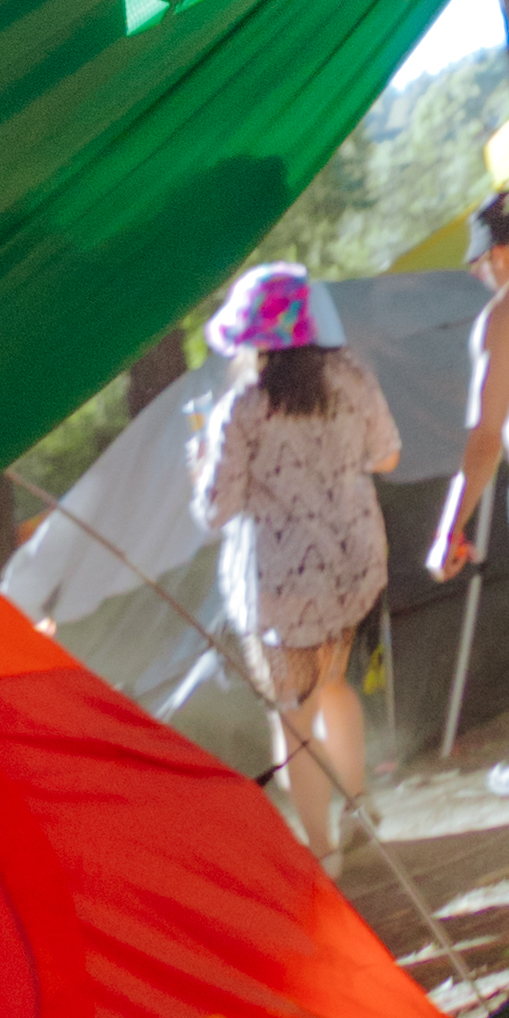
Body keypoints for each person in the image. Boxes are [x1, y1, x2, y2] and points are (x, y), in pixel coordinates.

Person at [194, 261, 402, 866]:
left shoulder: (244, 408)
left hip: (281, 590)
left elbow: (214, 510)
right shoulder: (354, 378)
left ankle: (321, 853)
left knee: (295, 714)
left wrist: (203, 457)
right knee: (333, 683)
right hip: (354, 571)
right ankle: (360, 803)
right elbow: (387, 457)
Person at [427, 186, 509, 580]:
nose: (477, 275)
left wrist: (449, 530)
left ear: (499, 253)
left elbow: (486, 438)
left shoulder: (503, 316)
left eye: (477, 263)